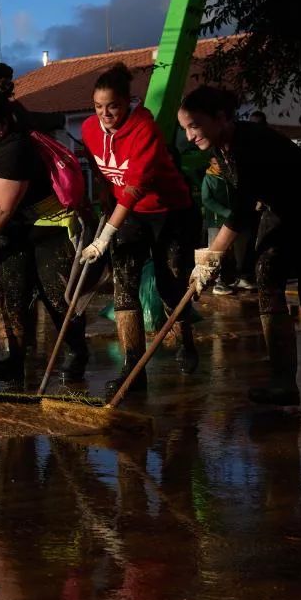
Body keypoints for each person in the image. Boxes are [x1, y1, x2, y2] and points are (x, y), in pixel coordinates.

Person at [180, 86, 301, 408]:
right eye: (185, 129)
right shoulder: (222, 148)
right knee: (267, 279)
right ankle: (283, 382)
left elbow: (243, 210)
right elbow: (245, 204)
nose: (190, 135)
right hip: (282, 211)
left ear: (220, 117)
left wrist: (211, 258)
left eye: (194, 125)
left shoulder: (252, 142)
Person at [80, 62, 199, 398]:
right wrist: (102, 190)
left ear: (128, 102)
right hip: (126, 214)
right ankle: (133, 368)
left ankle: (185, 341)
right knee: (124, 285)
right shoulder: (90, 128)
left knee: (169, 284)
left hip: (169, 212)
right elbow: (95, 161)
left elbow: (134, 188)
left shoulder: (144, 128)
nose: (105, 114)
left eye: (113, 106)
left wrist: (103, 238)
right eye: (99, 107)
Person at [0, 90, 89, 383]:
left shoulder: (14, 148)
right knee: (11, 293)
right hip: (11, 227)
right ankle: (15, 359)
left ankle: (75, 350)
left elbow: (0, 206)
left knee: (55, 295)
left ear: (3, 126)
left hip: (47, 226)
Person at [201, 156, 256, 295]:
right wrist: (226, 212)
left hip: (235, 220)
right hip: (217, 221)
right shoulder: (209, 179)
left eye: (220, 163)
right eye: (215, 163)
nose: (218, 166)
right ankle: (218, 282)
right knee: (217, 253)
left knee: (240, 249)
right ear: (210, 164)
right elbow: (207, 200)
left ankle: (239, 277)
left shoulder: (230, 177)